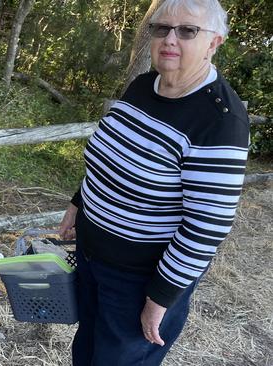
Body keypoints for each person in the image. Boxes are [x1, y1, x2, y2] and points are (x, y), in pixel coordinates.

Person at [57, 0, 250, 364]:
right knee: (85, 353)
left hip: (138, 282)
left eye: (187, 31)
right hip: (93, 257)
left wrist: (160, 297)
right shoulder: (146, 85)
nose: (170, 39)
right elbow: (113, 156)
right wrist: (79, 201)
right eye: (162, 29)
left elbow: (206, 225)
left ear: (214, 42)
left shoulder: (219, 121)